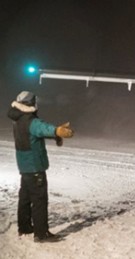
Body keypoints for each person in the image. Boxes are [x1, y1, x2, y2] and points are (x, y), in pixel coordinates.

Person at [7, 91, 74, 243]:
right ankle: (41, 233)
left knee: (25, 197)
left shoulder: (17, 119)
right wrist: (57, 131)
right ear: (31, 103)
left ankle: (24, 227)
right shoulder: (31, 120)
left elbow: (35, 133)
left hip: (24, 165)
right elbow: (41, 128)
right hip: (35, 165)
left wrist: (54, 134)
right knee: (39, 199)